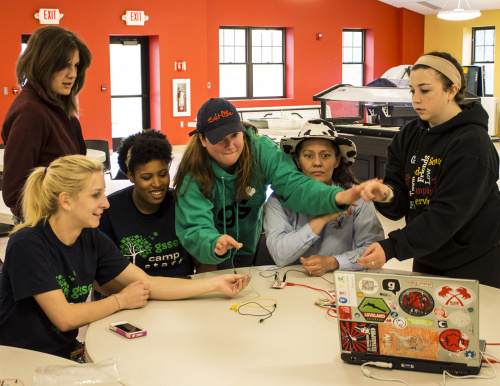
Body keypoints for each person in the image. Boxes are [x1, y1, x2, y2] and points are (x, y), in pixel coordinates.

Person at [0, 155, 250, 358]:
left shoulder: (90, 237)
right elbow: (64, 318)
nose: (106, 204)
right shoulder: (28, 243)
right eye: (95, 195)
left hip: (62, 353)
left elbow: (147, 282)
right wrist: (120, 300)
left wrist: (214, 283)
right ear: (66, 201)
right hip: (19, 358)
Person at [174, 98, 384, 270]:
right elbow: (195, 226)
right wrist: (213, 242)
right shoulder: (194, 174)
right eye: (220, 139)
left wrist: (335, 197)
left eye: (235, 135)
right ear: (202, 139)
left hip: (246, 247)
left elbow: (294, 184)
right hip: (209, 251)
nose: (230, 145)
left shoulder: (259, 150)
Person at [358, 52, 500, 289]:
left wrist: (392, 246)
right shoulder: (409, 135)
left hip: (475, 254)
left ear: (452, 90)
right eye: (412, 90)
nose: (416, 99)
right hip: (428, 250)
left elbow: (448, 213)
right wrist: (386, 194)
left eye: (425, 90)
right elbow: (399, 197)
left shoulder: (472, 143)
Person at [264, 119, 385, 275]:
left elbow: (373, 252)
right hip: (293, 282)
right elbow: (280, 255)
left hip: (341, 282)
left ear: (337, 161)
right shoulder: (279, 200)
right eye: (308, 156)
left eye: (325, 155)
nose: (317, 163)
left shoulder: (356, 198)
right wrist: (323, 218)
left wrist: (334, 262)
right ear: (298, 162)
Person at [1, 26, 90, 222]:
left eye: (76, 65)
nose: (72, 74)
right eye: (64, 66)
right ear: (42, 64)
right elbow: (14, 191)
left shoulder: (55, 105)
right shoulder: (30, 112)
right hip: (45, 226)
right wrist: (49, 226)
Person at [99, 129, 200, 278]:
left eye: (163, 174)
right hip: (133, 295)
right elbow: (103, 272)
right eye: (146, 177)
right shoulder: (109, 210)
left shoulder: (182, 203)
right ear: (131, 175)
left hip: (183, 292)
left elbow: (204, 259)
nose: (157, 183)